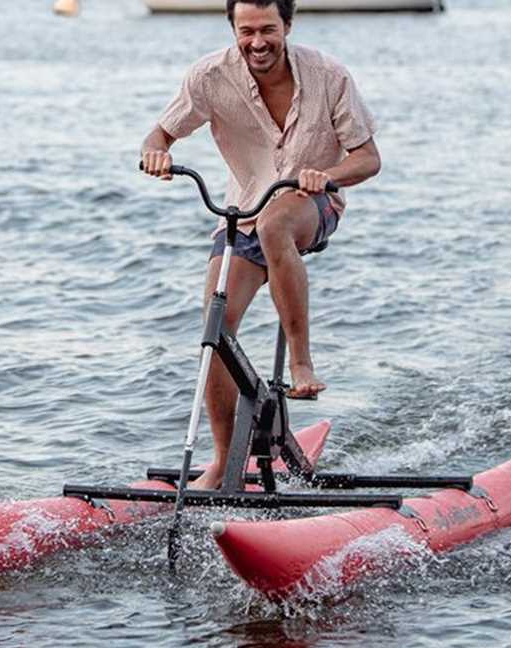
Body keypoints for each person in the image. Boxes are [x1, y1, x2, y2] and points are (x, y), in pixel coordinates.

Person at [140, 0, 381, 490]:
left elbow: (368, 159)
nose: (257, 42)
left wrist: (326, 176)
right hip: (243, 212)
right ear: (233, 28)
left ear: (287, 26)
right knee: (216, 327)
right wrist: (156, 152)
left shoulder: (328, 75)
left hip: (312, 207)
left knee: (275, 225)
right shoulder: (209, 76)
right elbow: (162, 131)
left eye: (268, 29)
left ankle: (301, 362)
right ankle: (225, 459)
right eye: (246, 31)